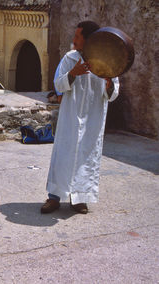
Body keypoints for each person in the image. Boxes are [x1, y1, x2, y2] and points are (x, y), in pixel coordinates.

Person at [41, 21, 119, 214]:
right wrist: (73, 73)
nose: (74, 40)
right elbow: (58, 85)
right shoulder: (70, 58)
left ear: (89, 40)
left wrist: (110, 86)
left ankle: (79, 199)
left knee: (86, 158)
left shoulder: (108, 61)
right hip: (70, 118)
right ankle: (54, 198)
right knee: (63, 156)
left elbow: (114, 93)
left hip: (93, 120)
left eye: (77, 37)